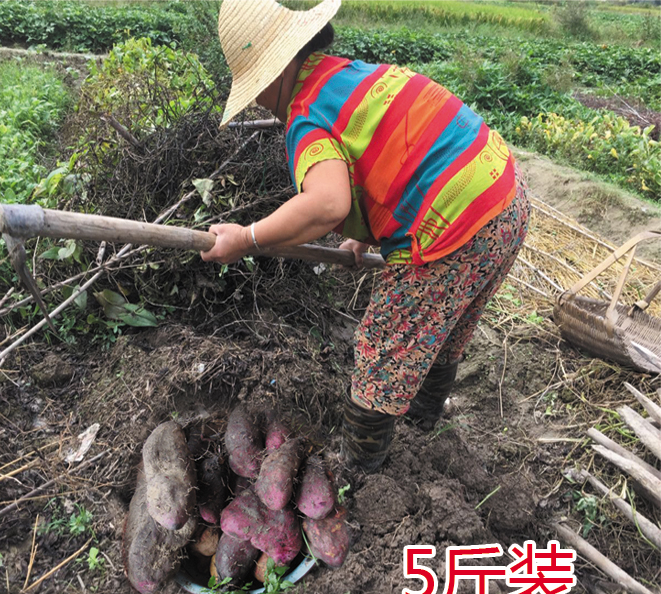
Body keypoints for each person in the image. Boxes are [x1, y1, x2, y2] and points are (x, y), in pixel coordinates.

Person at [202, 0, 531, 473]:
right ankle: (422, 422)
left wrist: (247, 237)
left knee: (382, 348)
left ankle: (361, 473)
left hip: (454, 228)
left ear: (273, 73)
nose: (257, 100)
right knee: (445, 326)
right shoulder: (352, 76)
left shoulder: (305, 117)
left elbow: (326, 204)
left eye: (255, 88)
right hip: (504, 195)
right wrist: (364, 235)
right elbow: (394, 157)